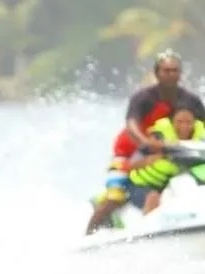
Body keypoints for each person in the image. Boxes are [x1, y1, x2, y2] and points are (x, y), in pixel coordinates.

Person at [99, 50, 205, 207]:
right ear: (157, 73)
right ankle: (95, 222)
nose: (171, 75)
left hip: (172, 152)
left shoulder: (190, 100)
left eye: (175, 71)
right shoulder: (143, 97)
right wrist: (146, 142)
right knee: (115, 196)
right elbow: (132, 124)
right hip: (131, 152)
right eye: (166, 71)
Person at [86, 105, 205, 234]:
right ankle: (148, 235)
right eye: (179, 122)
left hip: (165, 186)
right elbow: (132, 163)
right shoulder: (157, 139)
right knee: (152, 196)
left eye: (188, 122)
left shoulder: (197, 142)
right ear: (172, 122)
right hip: (138, 185)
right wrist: (158, 156)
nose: (184, 126)